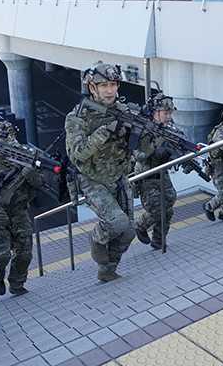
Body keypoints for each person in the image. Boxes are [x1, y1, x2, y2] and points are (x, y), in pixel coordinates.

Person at [65, 62, 157, 282]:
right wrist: (105, 131)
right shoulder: (77, 117)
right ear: (92, 88)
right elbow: (77, 153)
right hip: (92, 179)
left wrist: (153, 136)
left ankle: (107, 270)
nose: (109, 90)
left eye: (113, 84)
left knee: (129, 232)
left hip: (119, 176)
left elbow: (143, 147)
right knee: (117, 223)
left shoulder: (125, 111)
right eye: (103, 85)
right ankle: (97, 239)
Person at [0, 121, 46, 296]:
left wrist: (31, 174)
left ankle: (17, 283)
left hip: (19, 211)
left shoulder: (27, 155)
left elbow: (41, 181)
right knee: (0, 254)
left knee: (25, 252)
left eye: (11, 137)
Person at [133, 93, 178, 250]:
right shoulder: (142, 129)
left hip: (162, 172)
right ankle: (138, 225)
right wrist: (154, 144)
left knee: (169, 204)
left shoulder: (170, 129)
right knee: (157, 209)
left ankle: (159, 239)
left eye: (170, 113)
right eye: (165, 113)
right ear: (155, 113)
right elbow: (137, 155)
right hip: (146, 175)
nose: (168, 117)